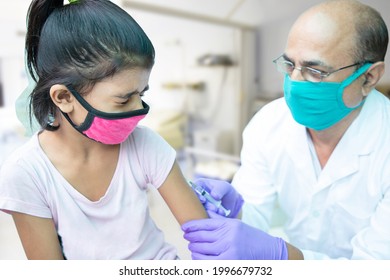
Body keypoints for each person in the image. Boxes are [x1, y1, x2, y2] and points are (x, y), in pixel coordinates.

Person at [181, 0, 390, 260]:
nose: (294, 82)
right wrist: (237, 210)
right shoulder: (269, 122)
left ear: (369, 77)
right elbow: (256, 216)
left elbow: (375, 268)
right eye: (290, 65)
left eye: (315, 71)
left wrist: (282, 256)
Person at [0, 0, 208, 260]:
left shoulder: (144, 145)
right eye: (123, 99)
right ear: (64, 97)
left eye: (141, 94)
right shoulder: (26, 174)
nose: (139, 110)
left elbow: (206, 236)